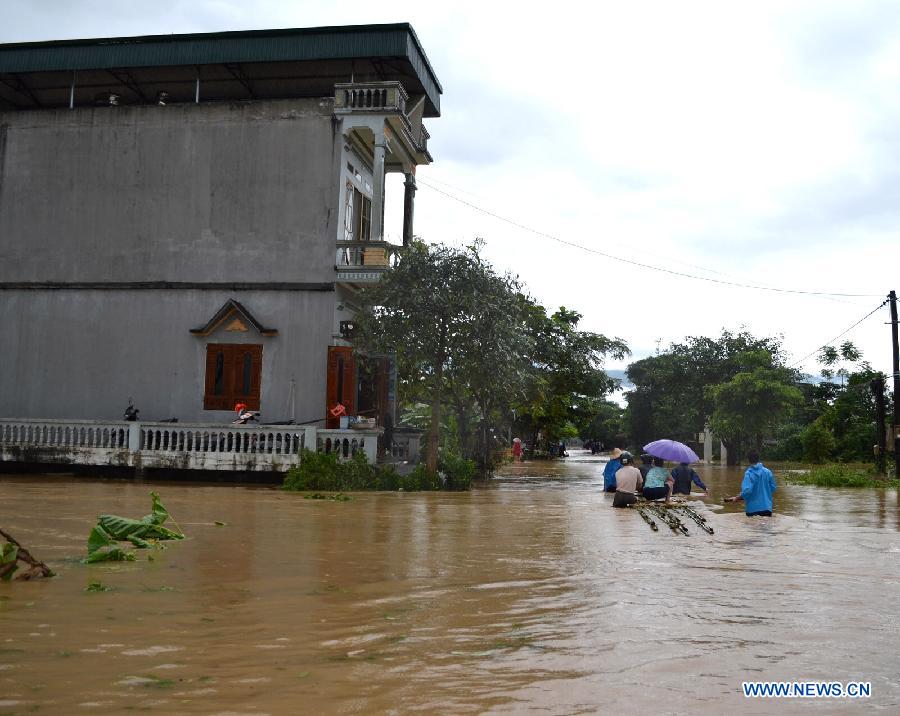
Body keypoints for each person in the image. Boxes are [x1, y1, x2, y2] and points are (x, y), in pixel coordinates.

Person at [725, 450, 776, 516]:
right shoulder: (768, 472)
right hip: (767, 509)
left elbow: (747, 491)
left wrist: (737, 498)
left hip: (753, 509)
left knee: (751, 526)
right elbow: (773, 488)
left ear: (748, 460)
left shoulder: (748, 474)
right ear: (758, 459)